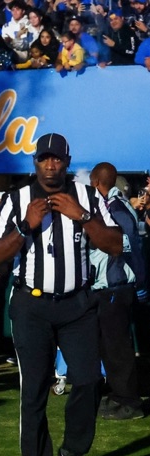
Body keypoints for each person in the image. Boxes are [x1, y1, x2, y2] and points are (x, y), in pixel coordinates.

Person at [0, 132, 122, 456]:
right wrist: (23, 226)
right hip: (31, 305)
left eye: (58, 159)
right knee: (34, 390)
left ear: (67, 161)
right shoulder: (17, 200)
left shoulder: (88, 196)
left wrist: (85, 218)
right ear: (35, 162)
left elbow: (114, 244)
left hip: (77, 304)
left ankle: (74, 452)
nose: (51, 165)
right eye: (44, 159)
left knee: (89, 380)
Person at [89, 162, 146, 420]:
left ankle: (129, 402)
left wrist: (140, 281)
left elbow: (129, 241)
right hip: (108, 286)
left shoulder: (116, 207)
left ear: (96, 181)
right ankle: (117, 394)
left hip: (116, 286)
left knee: (117, 347)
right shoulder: (110, 206)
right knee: (108, 346)